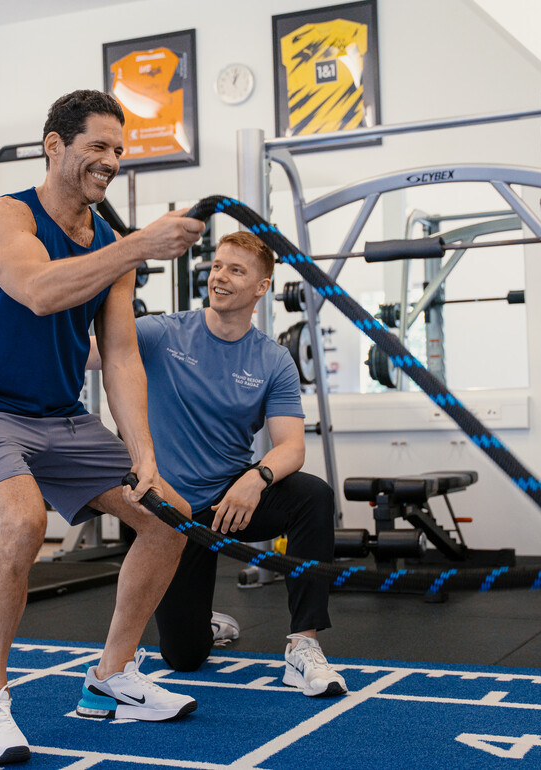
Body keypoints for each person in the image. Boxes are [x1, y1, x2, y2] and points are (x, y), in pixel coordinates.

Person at [0, 89, 205, 766]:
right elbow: (40, 290)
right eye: (98, 147)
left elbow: (118, 354)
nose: (111, 161)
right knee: (22, 522)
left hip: (57, 415)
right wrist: (139, 244)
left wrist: (144, 454)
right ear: (54, 145)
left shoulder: (110, 246)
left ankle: (112, 680)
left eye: (119, 151)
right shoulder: (2, 217)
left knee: (168, 516)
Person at [90, 231, 348, 698]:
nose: (220, 277)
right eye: (216, 266)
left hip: (233, 500)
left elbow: (290, 446)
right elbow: (89, 352)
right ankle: (202, 623)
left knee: (313, 496)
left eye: (236, 270)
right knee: (184, 657)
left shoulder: (273, 360)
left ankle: (303, 644)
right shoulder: (162, 332)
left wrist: (257, 476)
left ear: (261, 287)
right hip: (171, 512)